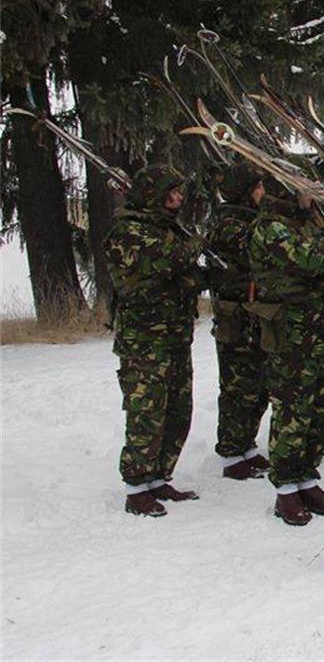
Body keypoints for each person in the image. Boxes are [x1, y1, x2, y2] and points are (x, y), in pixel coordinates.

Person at [105, 164, 204, 517]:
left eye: (179, 192)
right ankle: (137, 487)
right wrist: (201, 241)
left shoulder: (167, 228)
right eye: (171, 193)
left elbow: (185, 271)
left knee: (178, 410)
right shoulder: (128, 231)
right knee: (146, 412)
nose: (178, 199)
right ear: (152, 195)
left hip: (176, 335)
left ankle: (160, 476)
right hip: (145, 340)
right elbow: (169, 260)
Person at [248, 183, 324, 526]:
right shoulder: (270, 227)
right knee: (292, 406)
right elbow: (313, 259)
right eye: (306, 192)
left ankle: (307, 477)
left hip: (317, 325)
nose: (312, 197)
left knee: (320, 404)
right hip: (290, 329)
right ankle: (286, 487)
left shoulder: (306, 221)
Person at [207, 163, 270, 480]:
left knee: (257, 386)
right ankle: (232, 453)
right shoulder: (229, 224)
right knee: (238, 387)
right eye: (258, 187)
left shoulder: (245, 219)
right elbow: (259, 250)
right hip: (237, 318)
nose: (263, 193)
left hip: (254, 315)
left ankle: (247, 446)